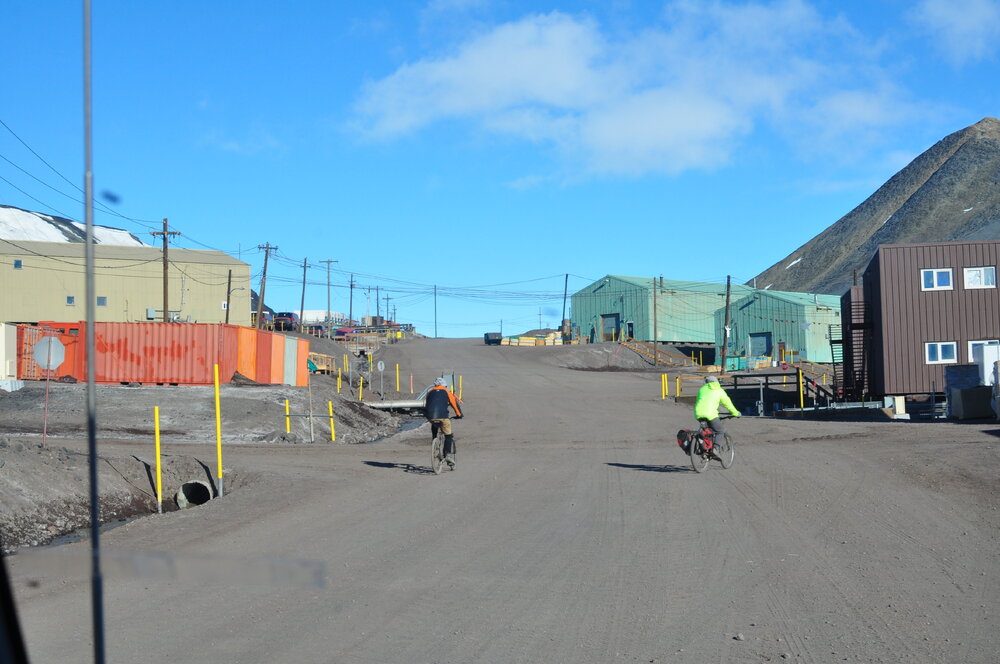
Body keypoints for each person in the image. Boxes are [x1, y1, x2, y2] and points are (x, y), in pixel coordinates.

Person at [693, 375, 740, 452]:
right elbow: (727, 403)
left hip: (698, 413)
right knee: (720, 431)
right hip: (711, 414)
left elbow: (698, 401)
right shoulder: (719, 390)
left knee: (706, 431)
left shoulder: (701, 389)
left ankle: (704, 448)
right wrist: (735, 413)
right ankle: (715, 448)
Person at [425, 377, 463, 468]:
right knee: (448, 435)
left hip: (430, 416)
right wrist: (459, 415)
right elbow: (454, 404)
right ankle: (447, 455)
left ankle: (434, 440)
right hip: (443, 416)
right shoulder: (447, 392)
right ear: (444, 386)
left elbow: (427, 404)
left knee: (434, 424)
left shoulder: (429, 392)